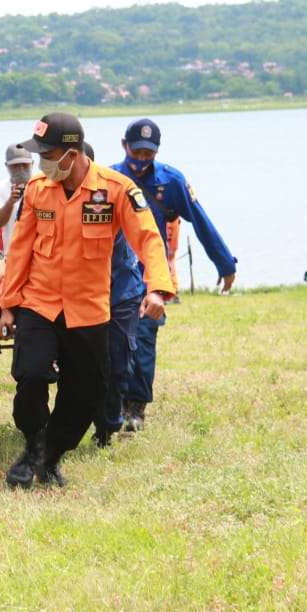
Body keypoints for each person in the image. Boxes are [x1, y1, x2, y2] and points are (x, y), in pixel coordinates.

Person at [0, 113, 174, 489]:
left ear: (72, 153)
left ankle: (51, 454)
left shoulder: (116, 190)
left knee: (86, 393)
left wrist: (157, 288)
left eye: (48, 153)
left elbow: (148, 238)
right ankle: (31, 446)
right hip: (40, 303)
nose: (42, 161)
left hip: (88, 309)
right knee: (29, 376)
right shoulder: (37, 189)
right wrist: (9, 303)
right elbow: (20, 249)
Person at [108, 118, 238, 433]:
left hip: (154, 279)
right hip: (113, 278)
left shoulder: (172, 181)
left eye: (148, 154)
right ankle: (112, 406)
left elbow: (201, 222)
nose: (140, 160)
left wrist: (226, 265)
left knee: (143, 340)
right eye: (136, 152)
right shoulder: (109, 179)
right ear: (124, 145)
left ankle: (135, 409)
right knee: (114, 345)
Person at [0, 143, 33, 252]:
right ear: (7, 166)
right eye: (15, 166)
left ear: (32, 164)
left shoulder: (43, 186)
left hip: (40, 255)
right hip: (12, 254)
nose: (21, 169)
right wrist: (10, 202)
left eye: (24, 165)